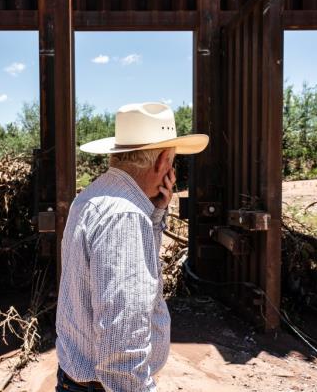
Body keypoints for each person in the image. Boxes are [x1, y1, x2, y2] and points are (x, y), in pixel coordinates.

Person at [55, 102, 209, 391]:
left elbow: (133, 270)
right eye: (172, 161)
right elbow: (121, 347)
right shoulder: (125, 216)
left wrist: (155, 214)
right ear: (163, 160)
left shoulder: (93, 196)